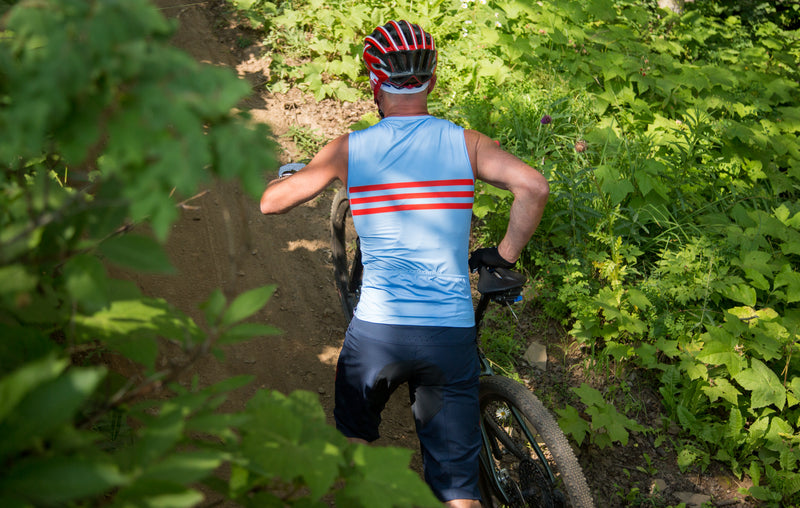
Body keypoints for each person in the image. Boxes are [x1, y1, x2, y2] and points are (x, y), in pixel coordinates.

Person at [260, 20, 549, 508]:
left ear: (374, 83)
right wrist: (503, 255)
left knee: (355, 441)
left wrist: (308, 170)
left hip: (378, 332)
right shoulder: (467, 143)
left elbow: (272, 204)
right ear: (431, 81)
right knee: (458, 490)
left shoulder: (350, 150)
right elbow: (534, 187)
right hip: (449, 335)